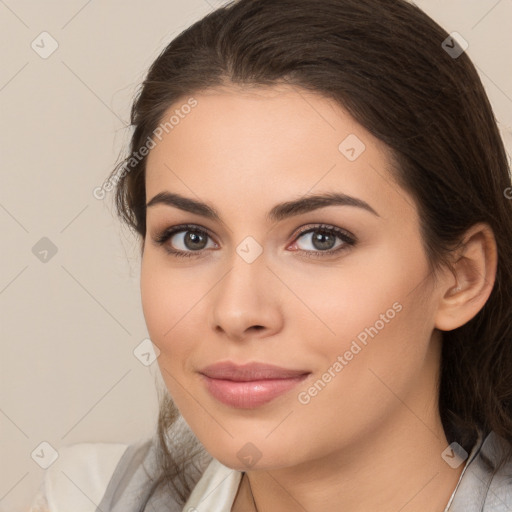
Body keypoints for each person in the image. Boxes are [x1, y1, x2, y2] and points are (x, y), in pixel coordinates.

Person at [29, 0, 512, 510]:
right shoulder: (82, 497)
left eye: (320, 238)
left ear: (461, 277)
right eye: (191, 237)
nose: (237, 312)